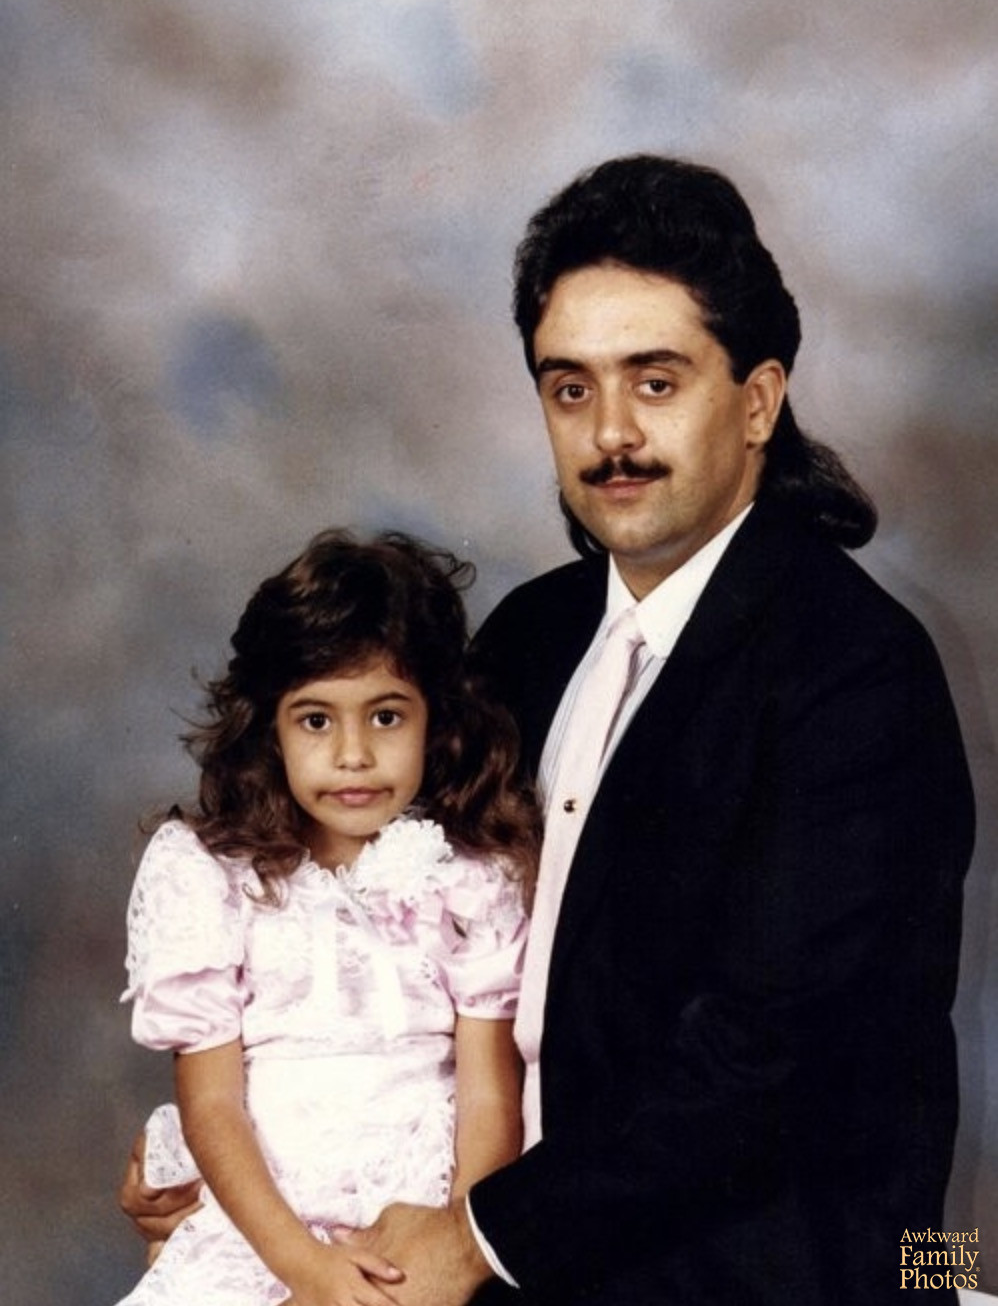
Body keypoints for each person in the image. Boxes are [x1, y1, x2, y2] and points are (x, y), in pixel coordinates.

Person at [122, 155, 976, 1305]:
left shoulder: (854, 672)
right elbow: (373, 925)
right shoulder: (531, 636)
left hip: (774, 1269)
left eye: (654, 381)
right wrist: (238, 1169)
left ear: (757, 401)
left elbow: (760, 1057)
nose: (609, 431)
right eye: (569, 389)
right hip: (508, 1248)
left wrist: (476, 1237)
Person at [112, 529, 538, 1306]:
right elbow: (212, 1103)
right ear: (270, 732)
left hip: (415, 1220)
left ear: (437, 722)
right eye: (315, 720)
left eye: (386, 717)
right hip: (265, 1227)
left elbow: (488, 1095)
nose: (352, 755)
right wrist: (301, 1266)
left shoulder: (472, 876)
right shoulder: (213, 875)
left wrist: (454, 1254)